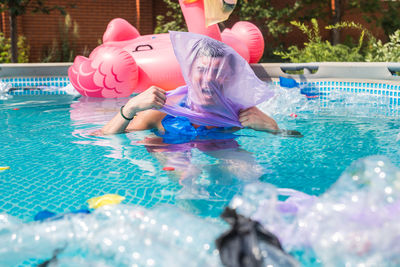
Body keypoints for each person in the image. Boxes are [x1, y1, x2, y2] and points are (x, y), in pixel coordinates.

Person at [99, 33, 300, 138]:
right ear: (189, 73)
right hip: (170, 155)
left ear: (229, 78)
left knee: (247, 171)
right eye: (202, 70)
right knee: (184, 173)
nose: (208, 80)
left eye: (217, 73)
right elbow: (105, 136)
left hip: (221, 152)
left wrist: (274, 128)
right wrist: (130, 107)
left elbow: (296, 138)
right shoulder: (164, 109)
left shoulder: (238, 113)